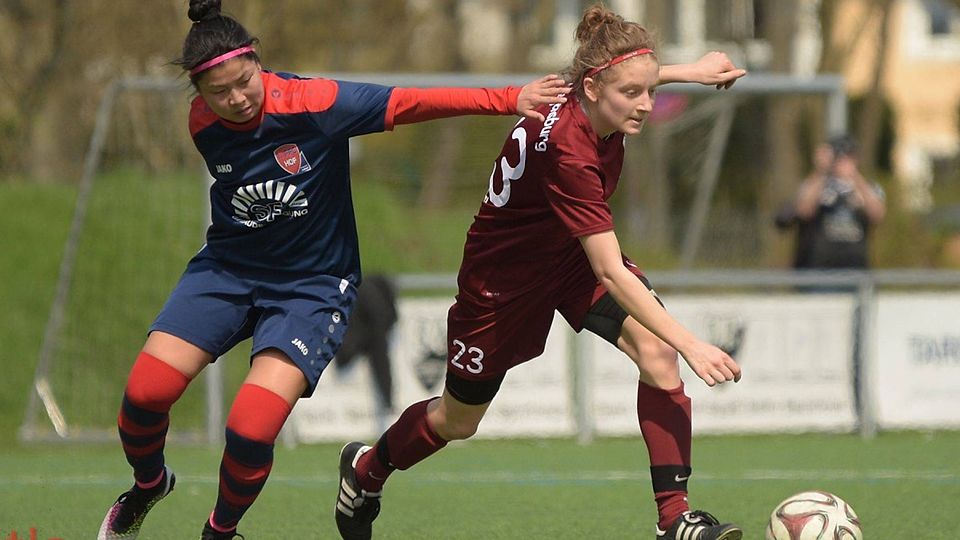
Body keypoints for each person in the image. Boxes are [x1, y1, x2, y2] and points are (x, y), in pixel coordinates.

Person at [95, 1, 570, 538]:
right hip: (227, 270)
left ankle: (220, 532)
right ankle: (149, 484)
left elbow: (412, 101)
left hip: (311, 289)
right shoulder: (203, 121)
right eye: (218, 92)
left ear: (258, 62)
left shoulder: (315, 102)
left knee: (249, 427)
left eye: (244, 82)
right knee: (144, 396)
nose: (235, 99)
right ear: (198, 94)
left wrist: (509, 98)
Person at [333, 6, 746, 540]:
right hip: (501, 281)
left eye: (649, 90)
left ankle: (675, 519)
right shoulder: (569, 149)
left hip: (566, 257)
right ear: (594, 89)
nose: (645, 105)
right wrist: (695, 343)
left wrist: (688, 70)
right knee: (458, 420)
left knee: (655, 352)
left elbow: (625, 77)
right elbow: (611, 271)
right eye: (634, 94)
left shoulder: (594, 94)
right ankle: (366, 471)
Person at [777, 135, 886, 271]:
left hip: (856, 269)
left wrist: (855, 177)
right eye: (838, 156)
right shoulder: (813, 184)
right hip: (817, 270)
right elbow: (804, 211)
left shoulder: (867, 186)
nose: (842, 160)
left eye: (848, 156)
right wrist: (822, 170)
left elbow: (877, 215)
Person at [334, 274, 399, 412]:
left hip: (357, 330)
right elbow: (381, 348)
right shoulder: (372, 300)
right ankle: (387, 401)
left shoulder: (368, 296)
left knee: (377, 346)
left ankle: (387, 400)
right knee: (378, 346)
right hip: (361, 330)